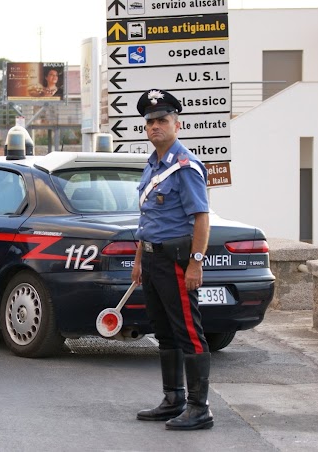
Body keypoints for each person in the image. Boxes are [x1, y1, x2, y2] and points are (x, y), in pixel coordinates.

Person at [131, 89, 213, 430]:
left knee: (188, 333)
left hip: (176, 261)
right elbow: (148, 220)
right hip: (151, 261)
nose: (155, 127)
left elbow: (201, 218)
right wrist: (138, 260)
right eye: (150, 122)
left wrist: (195, 262)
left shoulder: (186, 167)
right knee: (163, 332)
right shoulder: (152, 166)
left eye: (162, 120)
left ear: (176, 124)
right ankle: (173, 399)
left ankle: (199, 407)